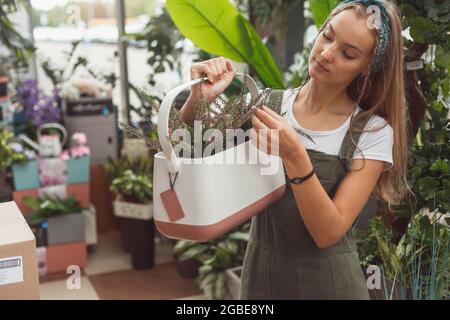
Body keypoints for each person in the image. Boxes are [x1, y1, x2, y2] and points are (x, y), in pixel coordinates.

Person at [180, 0, 409, 299]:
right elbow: (196, 146)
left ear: (367, 66)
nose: (327, 54)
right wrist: (199, 97)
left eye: (348, 53)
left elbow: (327, 233)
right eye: (327, 35)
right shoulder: (265, 105)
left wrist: (295, 156)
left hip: (329, 286)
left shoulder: (371, 132)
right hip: (261, 281)